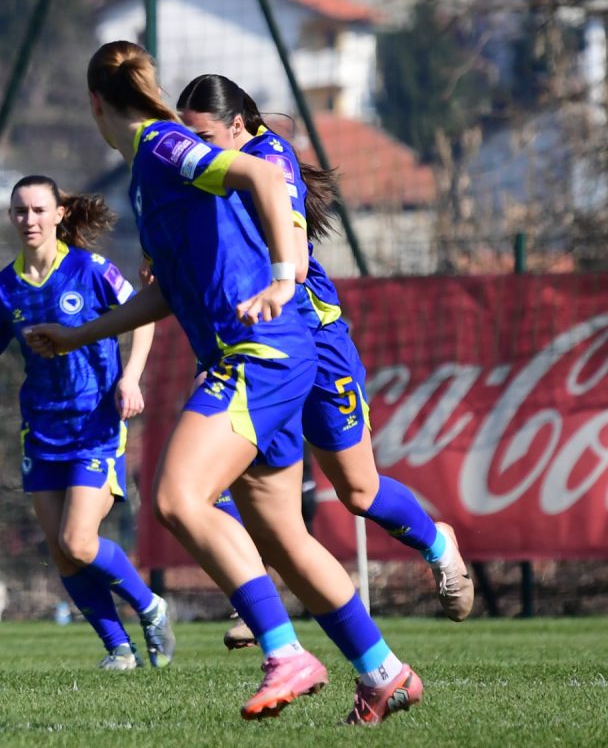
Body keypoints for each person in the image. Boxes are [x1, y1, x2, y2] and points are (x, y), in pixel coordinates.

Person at [25, 42, 422, 725]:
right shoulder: (148, 171)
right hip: (267, 354)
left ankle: (285, 652)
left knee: (177, 497)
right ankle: (384, 673)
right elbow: (170, 292)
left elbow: (264, 176)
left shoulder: (162, 147)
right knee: (284, 539)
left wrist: (284, 275)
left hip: (258, 351)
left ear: (95, 103)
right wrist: (81, 334)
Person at [174, 74, 474, 653]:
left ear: (236, 126)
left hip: (315, 337)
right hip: (256, 345)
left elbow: (290, 244)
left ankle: (439, 545)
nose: (194, 150)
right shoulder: (207, 168)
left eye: (203, 137)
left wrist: (281, 278)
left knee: (359, 492)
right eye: (186, 137)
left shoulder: (269, 158)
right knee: (215, 478)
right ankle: (259, 597)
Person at [0, 174, 174, 670]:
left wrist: (131, 378)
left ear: (59, 214)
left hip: (95, 425)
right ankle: (118, 648)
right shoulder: (3, 288)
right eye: (20, 211)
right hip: (41, 431)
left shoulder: (90, 269)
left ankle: (151, 607)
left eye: (39, 210)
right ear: (10, 217)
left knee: (77, 541)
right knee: (63, 554)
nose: (30, 220)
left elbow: (144, 316)